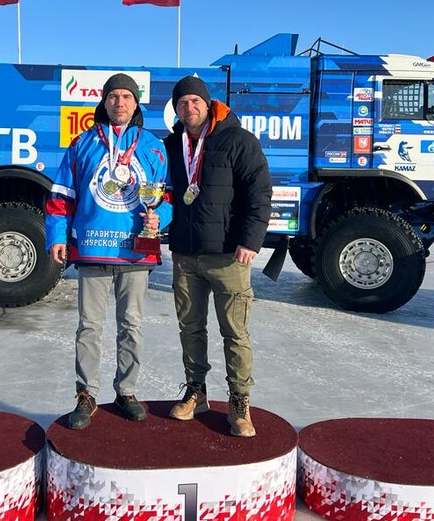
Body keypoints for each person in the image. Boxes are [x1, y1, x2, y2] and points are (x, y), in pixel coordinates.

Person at [45, 73, 172, 430]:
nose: (120, 102)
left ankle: (126, 392)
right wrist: (57, 236)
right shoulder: (83, 143)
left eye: (126, 96)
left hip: (135, 251)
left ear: (136, 103)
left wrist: (159, 217)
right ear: (104, 102)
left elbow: (167, 198)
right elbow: (61, 195)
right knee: (89, 326)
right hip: (92, 247)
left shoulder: (153, 146)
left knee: (132, 325)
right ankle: (86, 394)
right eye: (113, 96)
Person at [163, 75, 271, 437]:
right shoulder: (172, 144)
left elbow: (259, 193)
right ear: (176, 109)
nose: (189, 108)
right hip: (186, 255)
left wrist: (250, 241)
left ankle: (239, 401)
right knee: (190, 327)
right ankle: (196, 391)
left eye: (195, 101)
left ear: (208, 104)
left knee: (235, 332)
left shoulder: (238, 140)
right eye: (182, 103)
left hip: (229, 256)